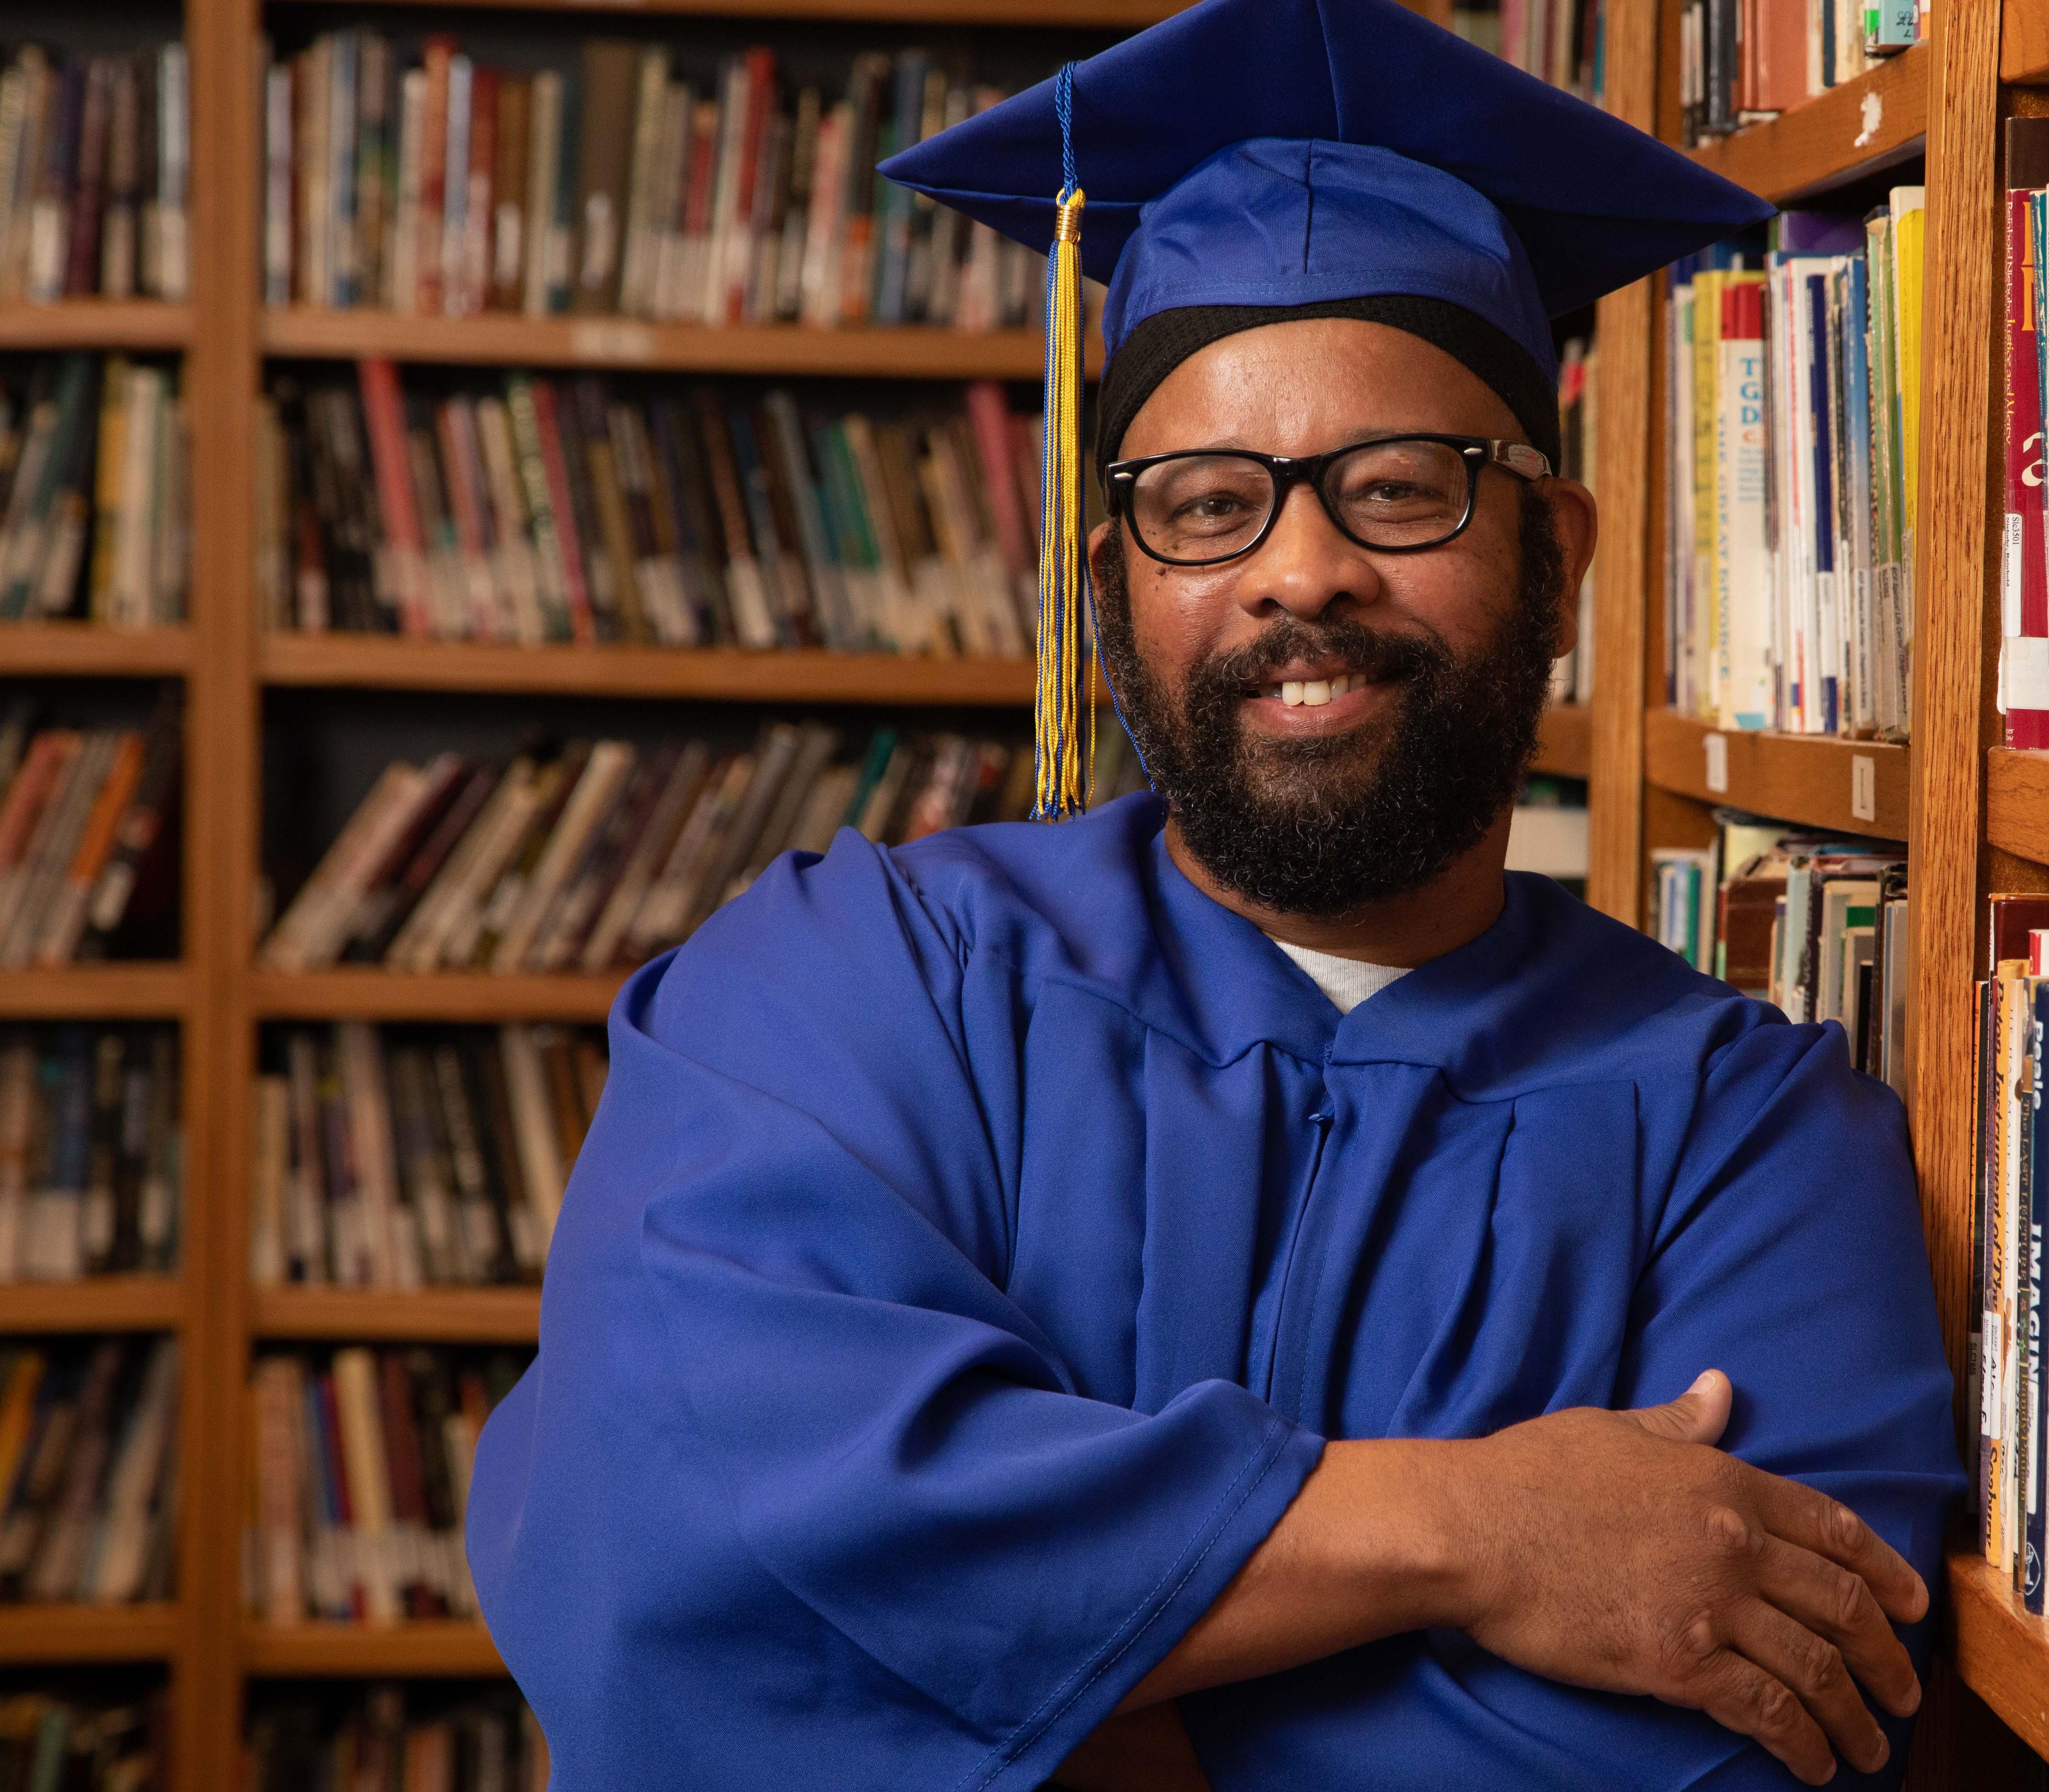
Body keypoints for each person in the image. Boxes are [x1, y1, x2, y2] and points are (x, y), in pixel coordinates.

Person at [464, 0, 1965, 1785]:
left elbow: (1739, 1738)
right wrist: (1473, 1534)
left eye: (1403, 489)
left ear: (1552, 556)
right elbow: (679, 1543)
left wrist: (1035, 1670)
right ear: (1110, 577)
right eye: (1206, 505)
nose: (1300, 572)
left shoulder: (1748, 1140)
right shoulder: (846, 983)